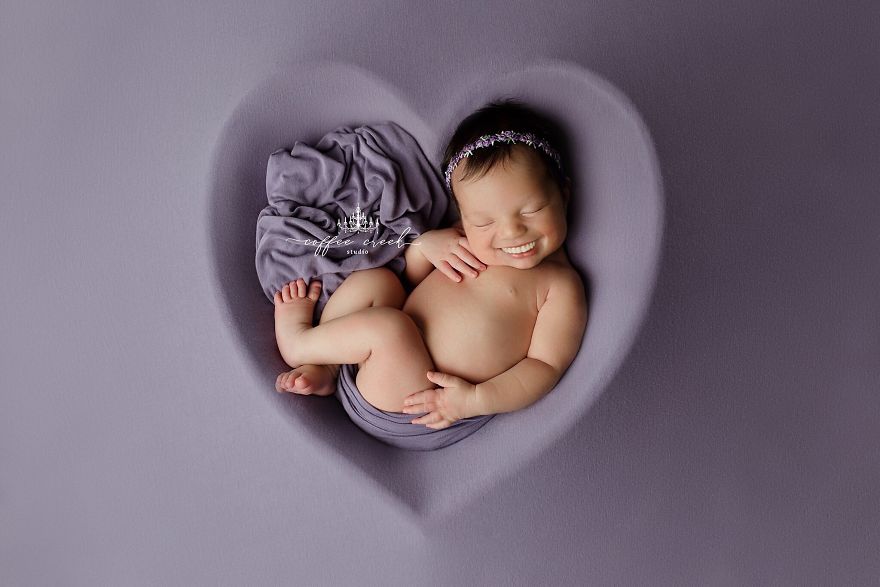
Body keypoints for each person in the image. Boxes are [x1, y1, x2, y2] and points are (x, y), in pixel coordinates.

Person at [272, 98, 588, 445]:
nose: (512, 232)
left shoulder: (560, 287)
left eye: (532, 210)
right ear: (465, 216)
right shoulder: (466, 238)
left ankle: (299, 343)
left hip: (420, 403)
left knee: (391, 329)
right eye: (484, 221)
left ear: (564, 193)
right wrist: (426, 245)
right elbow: (413, 279)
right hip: (383, 363)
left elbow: (545, 366)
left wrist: (474, 400)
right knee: (380, 281)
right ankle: (329, 366)